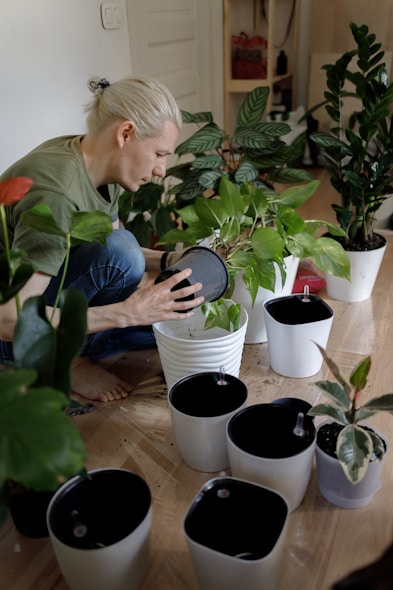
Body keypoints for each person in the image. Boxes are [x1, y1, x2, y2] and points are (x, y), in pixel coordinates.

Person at [0, 76, 204, 403]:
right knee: (134, 291)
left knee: (164, 319)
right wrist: (127, 313)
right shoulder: (55, 193)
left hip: (44, 296)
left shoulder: (96, 165)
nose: (161, 170)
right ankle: (69, 361)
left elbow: (108, 243)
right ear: (125, 133)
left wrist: (169, 261)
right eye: (159, 154)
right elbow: (10, 319)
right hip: (12, 334)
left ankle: (93, 340)